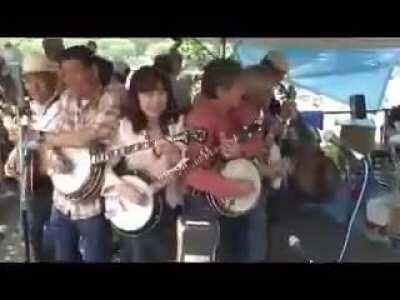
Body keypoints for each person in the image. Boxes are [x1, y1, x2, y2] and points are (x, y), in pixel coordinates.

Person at [25, 46, 120, 262]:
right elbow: (61, 141)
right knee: (64, 257)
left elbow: (89, 136)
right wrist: (53, 153)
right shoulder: (67, 98)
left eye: (72, 71)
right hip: (62, 200)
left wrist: (48, 139)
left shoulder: (110, 99)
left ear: (93, 71)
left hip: (93, 203)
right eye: (63, 72)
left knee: (96, 258)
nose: (67, 78)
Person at [181, 58, 264, 262]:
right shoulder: (200, 119)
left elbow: (257, 140)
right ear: (221, 91)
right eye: (238, 87)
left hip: (222, 205)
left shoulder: (229, 113)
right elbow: (190, 172)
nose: (243, 91)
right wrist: (232, 188)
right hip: (203, 207)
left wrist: (240, 150)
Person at [101, 66, 186, 262]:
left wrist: (174, 153)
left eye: (161, 92)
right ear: (136, 96)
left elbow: (186, 161)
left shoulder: (177, 124)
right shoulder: (124, 127)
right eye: (147, 93)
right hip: (135, 209)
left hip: (170, 208)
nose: (156, 100)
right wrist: (118, 186)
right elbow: (102, 165)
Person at [4, 52, 62, 262]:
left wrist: (29, 135)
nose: (34, 88)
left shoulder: (61, 107)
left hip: (55, 181)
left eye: (40, 82)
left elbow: (50, 140)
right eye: (29, 83)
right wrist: (14, 155)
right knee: (30, 231)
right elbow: (25, 141)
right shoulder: (30, 109)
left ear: (52, 80)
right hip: (31, 180)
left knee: (50, 233)